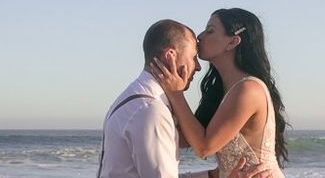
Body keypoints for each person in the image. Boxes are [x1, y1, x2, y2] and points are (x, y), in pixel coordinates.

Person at [97, 19, 272, 178]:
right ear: (170, 56)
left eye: (210, 30)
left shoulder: (137, 101)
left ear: (233, 41)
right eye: (193, 58)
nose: (197, 67)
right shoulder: (151, 111)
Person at [152, 9, 288, 178]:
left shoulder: (248, 90)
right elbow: (186, 140)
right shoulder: (222, 90)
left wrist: (175, 93)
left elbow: (203, 148)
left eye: (210, 31)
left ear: (232, 42)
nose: (200, 36)